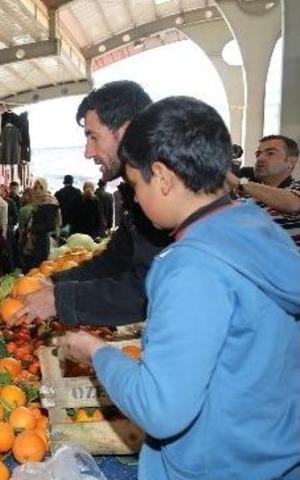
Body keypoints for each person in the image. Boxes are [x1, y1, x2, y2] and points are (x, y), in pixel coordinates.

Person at [59, 96, 300, 480]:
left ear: (164, 177)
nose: (135, 196)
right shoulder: (259, 228)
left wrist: (97, 352)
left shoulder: (190, 266)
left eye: (137, 184)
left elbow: (161, 410)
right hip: (266, 455)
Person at [15, 80, 170, 327]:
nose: (88, 152)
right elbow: (115, 261)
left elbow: (156, 287)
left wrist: (60, 299)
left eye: (93, 137)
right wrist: (55, 283)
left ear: (127, 130)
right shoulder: (138, 194)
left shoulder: (167, 193)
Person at [227, 135, 300, 248]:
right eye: (258, 154)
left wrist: (239, 183)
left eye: (270, 153)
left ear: (291, 162)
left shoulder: (295, 189)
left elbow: (293, 204)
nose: (260, 158)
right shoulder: (243, 197)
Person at [16, 178, 60, 271]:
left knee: (37, 270)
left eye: (41, 188)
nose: (38, 191)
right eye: (35, 188)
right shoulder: (37, 202)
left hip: (41, 242)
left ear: (45, 188)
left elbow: (50, 225)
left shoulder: (49, 203)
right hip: (33, 241)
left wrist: (32, 229)